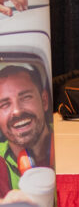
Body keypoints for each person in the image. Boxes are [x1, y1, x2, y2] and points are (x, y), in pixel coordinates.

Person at [0, 65, 53, 199]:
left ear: (44, 101)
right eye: (5, 104)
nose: (17, 111)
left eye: (25, 97)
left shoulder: (69, 143)